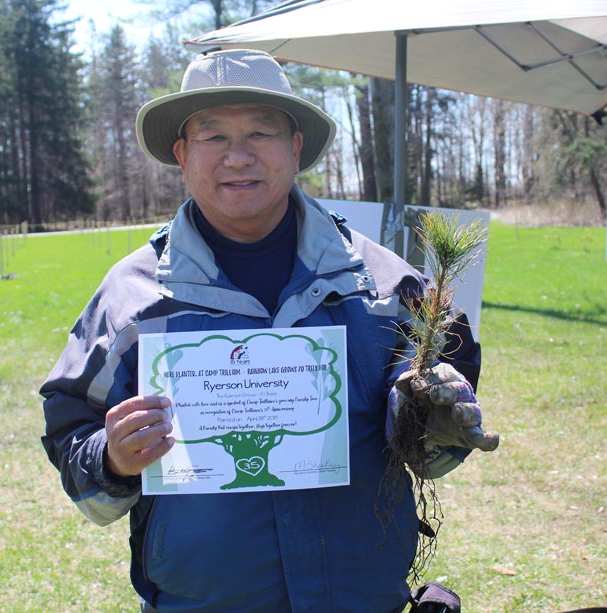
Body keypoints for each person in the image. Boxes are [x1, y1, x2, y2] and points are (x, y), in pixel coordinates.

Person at [41, 49, 499, 613]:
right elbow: (71, 440)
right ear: (182, 155)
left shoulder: (384, 288)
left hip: (363, 599)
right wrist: (111, 459)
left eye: (262, 131)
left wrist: (434, 418)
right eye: (213, 137)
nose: (238, 156)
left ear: (296, 148)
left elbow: (433, 443)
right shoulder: (132, 299)